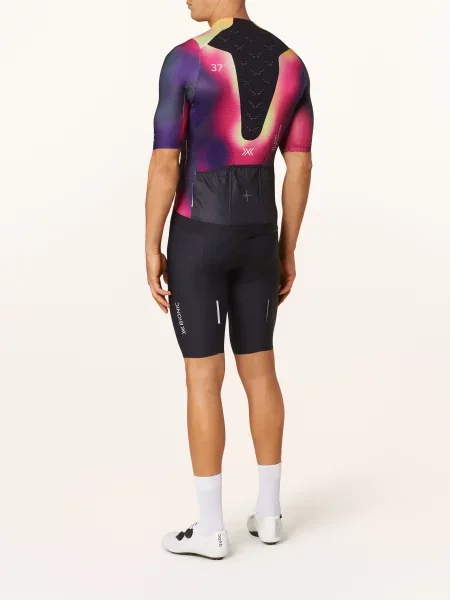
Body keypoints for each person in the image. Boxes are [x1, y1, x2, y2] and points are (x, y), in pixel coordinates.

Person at [145, 0, 313, 560]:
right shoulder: (292, 62)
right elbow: (300, 164)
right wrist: (287, 247)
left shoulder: (187, 59)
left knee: (203, 378)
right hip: (260, 235)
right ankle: (269, 515)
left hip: (198, 235)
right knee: (260, 372)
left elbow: (165, 161)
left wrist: (150, 244)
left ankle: (211, 529)